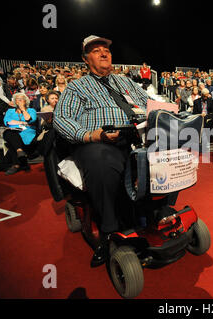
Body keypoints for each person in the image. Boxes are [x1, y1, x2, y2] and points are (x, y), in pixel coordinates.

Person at [53, 35, 150, 268]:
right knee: (102, 161)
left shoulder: (125, 83)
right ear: (86, 59)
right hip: (98, 141)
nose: (104, 53)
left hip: (135, 137)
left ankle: (154, 214)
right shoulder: (77, 87)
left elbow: (149, 103)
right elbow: (62, 118)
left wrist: (168, 113)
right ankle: (109, 230)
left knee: (167, 155)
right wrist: (91, 135)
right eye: (96, 51)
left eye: (106, 49)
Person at [2, 92, 38, 175]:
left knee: (11, 140)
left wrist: (23, 110)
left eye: (22, 99)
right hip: (13, 132)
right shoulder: (10, 111)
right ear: (15, 102)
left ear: (26, 101)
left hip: (27, 132)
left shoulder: (31, 110)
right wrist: (23, 123)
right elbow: (7, 122)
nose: (20, 101)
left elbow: (30, 119)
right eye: (18, 99)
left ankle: (17, 165)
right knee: (9, 132)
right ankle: (20, 151)